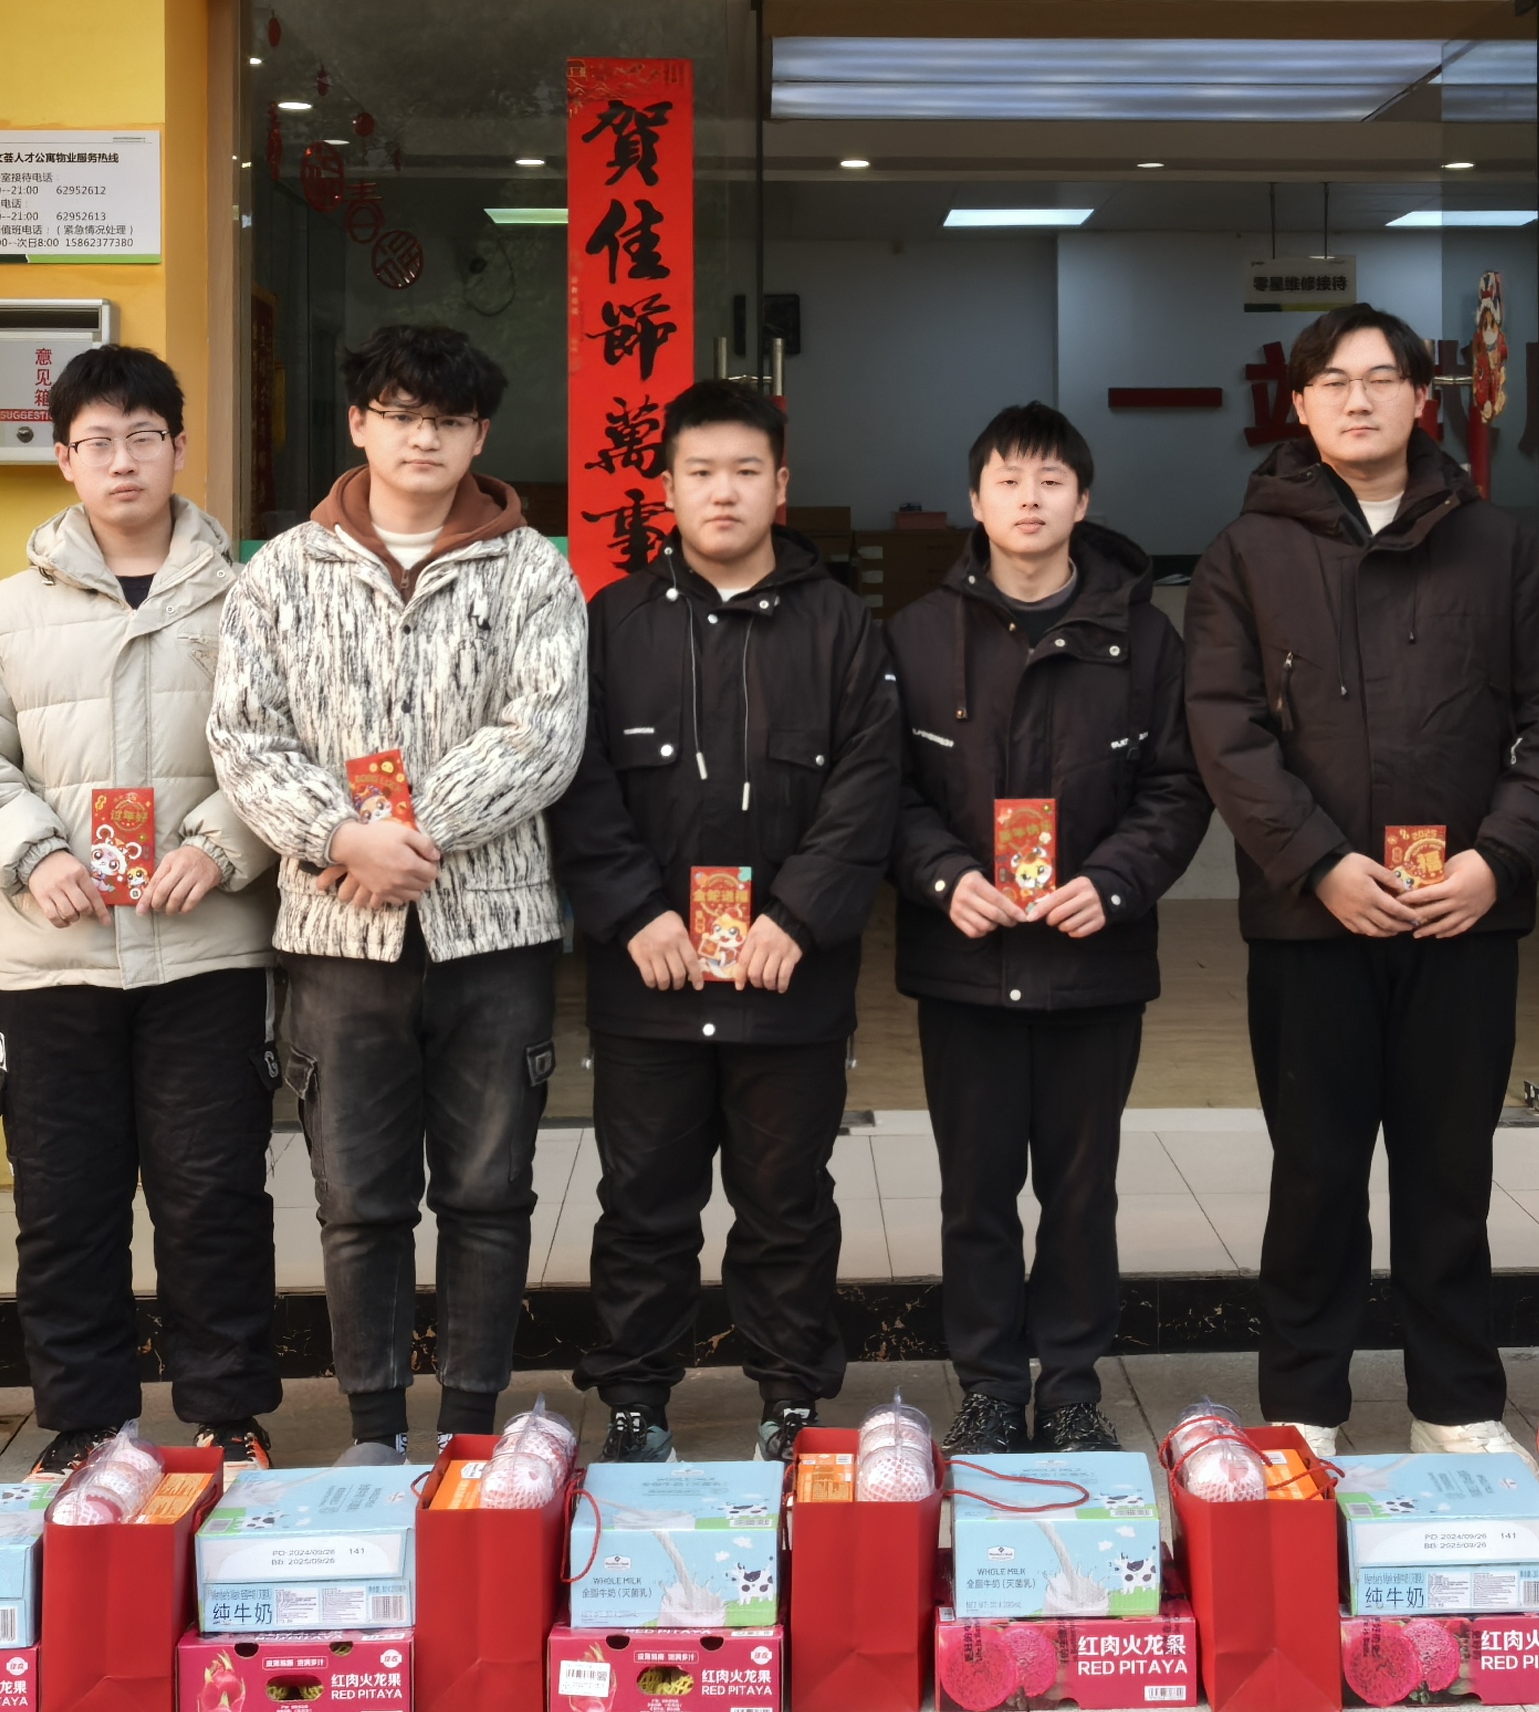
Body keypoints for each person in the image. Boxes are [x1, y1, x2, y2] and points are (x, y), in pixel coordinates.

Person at [1185, 304, 1539, 1457]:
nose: (1357, 400)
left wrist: (1498, 858)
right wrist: (1317, 863)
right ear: (1298, 405)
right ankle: (1303, 1403)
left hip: (1461, 914)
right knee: (1313, 1173)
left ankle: (1453, 1403)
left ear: (1424, 401)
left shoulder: (1496, 545)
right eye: (1333, 381)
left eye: (1381, 379)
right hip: (1311, 919)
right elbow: (1223, 729)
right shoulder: (1245, 553)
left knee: (1449, 1171)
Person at [213, 325, 587, 1468]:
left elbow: (544, 731)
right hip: (338, 935)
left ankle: (470, 1427)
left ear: (479, 436)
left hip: (495, 930)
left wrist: (408, 838)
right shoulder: (282, 571)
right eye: (400, 414)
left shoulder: (535, 570)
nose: (423, 437)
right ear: (358, 424)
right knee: (358, 1198)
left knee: (488, 1192)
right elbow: (244, 735)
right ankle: (374, 1429)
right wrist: (340, 838)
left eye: (448, 420)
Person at [0, 345, 281, 1471]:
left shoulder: (253, 599)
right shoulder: (1, 614)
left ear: (179, 448)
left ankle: (227, 1414)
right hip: (53, 958)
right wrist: (31, 856)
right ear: (64, 461)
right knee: (65, 1204)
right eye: (96, 442)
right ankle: (84, 1423)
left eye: (142, 437)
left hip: (207, 951)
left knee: (212, 1193)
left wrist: (222, 846)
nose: (121, 460)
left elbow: (292, 744)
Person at [551, 380, 904, 1463]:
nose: (722, 492)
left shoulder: (841, 626)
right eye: (700, 472)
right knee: (641, 1204)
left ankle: (791, 1398)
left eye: (746, 471)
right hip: (649, 980)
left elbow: (868, 787)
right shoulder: (611, 623)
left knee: (786, 1204)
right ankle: (635, 1400)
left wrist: (797, 917)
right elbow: (577, 782)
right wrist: (634, 914)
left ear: (780, 484)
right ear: (665, 488)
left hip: (787, 979)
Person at [889, 402, 1208, 1455]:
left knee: (1081, 1194)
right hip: (965, 962)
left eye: (1051, 481)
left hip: (1091, 965)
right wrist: (943, 876)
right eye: (1008, 481)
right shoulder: (915, 635)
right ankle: (987, 1388)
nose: (1029, 500)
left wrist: (1113, 883)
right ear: (974, 501)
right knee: (974, 1194)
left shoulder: (1146, 639)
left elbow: (1178, 786)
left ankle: (1071, 1390)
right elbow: (882, 789)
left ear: (1084, 500)